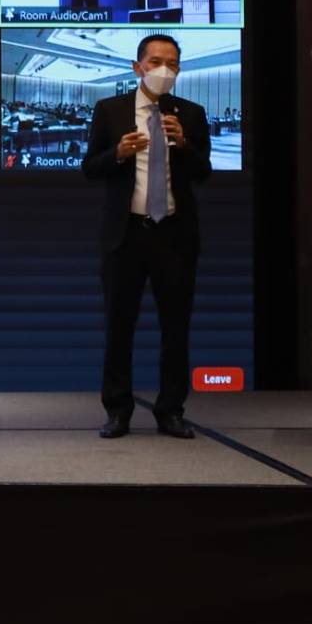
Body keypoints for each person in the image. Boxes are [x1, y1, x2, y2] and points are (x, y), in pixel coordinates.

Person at [80, 33, 211, 439]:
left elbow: (203, 172)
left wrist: (183, 144)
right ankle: (118, 410)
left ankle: (171, 411)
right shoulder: (110, 110)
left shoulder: (191, 114)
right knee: (120, 327)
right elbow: (90, 167)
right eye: (155, 62)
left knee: (176, 329)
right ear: (137, 67)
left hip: (174, 234)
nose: (163, 70)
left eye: (172, 64)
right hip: (126, 235)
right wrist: (118, 153)